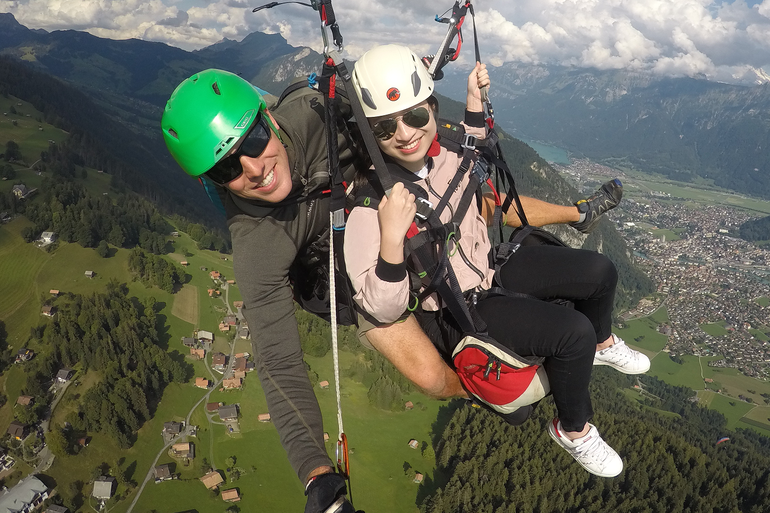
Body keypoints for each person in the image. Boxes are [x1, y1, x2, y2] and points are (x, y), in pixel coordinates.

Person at [161, 68, 467, 513]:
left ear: (269, 118)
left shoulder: (316, 113)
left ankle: (566, 221)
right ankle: (479, 388)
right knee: (432, 378)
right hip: (341, 272)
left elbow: (385, 99)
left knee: (472, 203)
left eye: (252, 140)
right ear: (211, 181)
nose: (254, 169)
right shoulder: (257, 242)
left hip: (390, 206)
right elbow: (279, 362)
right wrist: (318, 476)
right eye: (227, 167)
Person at [343, 45, 650, 478]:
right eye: (385, 126)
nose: (405, 132)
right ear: (370, 135)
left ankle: (604, 345)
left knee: (600, 272)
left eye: (414, 116)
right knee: (572, 333)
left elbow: (475, 149)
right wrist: (391, 240)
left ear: (432, 110)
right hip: (459, 308)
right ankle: (574, 430)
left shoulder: (445, 153)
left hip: (490, 268)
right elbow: (382, 308)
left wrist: (474, 99)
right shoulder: (368, 207)